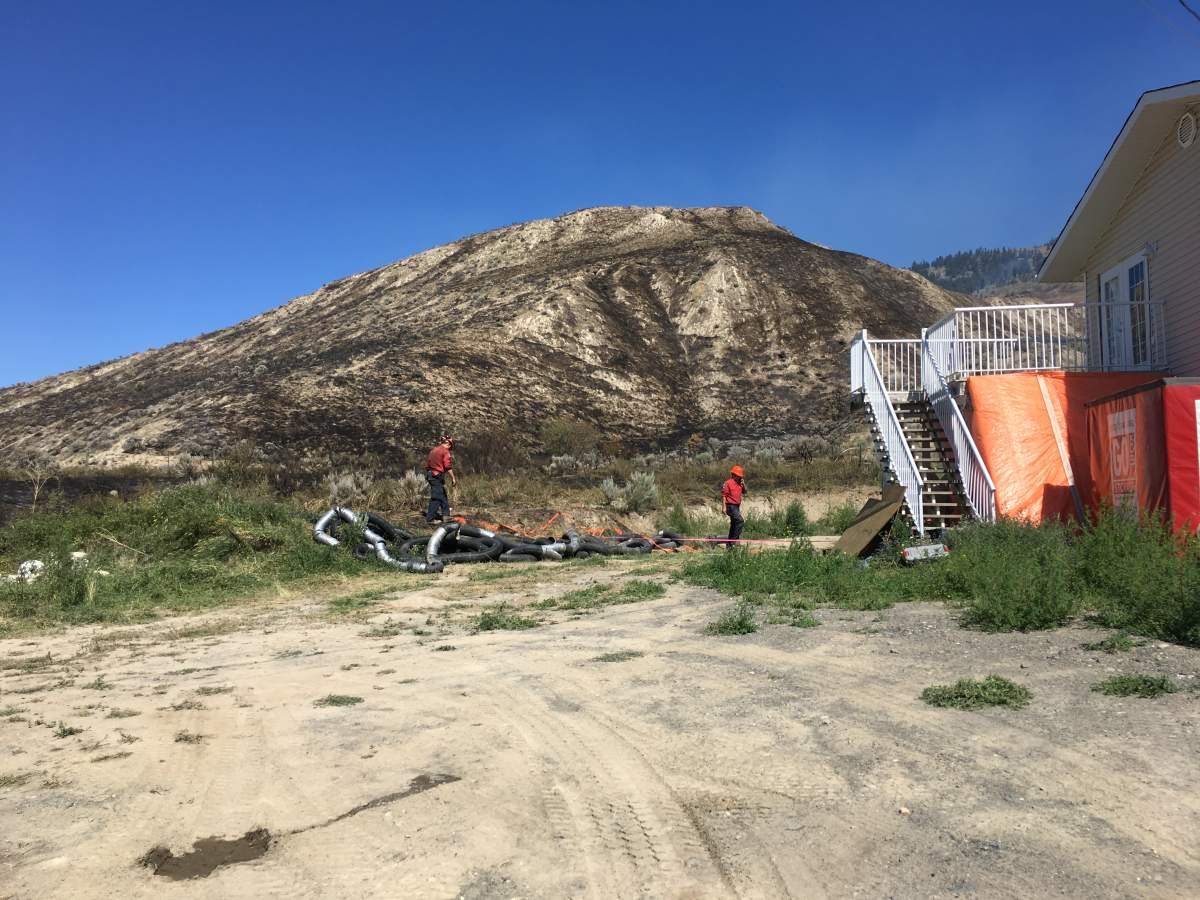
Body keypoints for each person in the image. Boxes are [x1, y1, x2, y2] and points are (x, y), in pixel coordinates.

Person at [425, 435, 457, 524]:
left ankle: (446, 516)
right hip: (436, 476)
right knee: (436, 497)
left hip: (431, 475)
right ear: (450, 445)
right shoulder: (445, 451)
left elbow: (428, 465)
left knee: (443, 495)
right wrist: (453, 478)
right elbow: (447, 466)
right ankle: (430, 519)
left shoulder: (433, 450)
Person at [722, 465, 747, 547]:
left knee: (734, 525)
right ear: (733, 475)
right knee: (740, 521)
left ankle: (729, 546)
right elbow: (724, 495)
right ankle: (733, 541)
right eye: (738, 476)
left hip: (736, 506)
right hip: (730, 506)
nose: (739, 478)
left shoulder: (740, 483)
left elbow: (745, 492)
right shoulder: (727, 483)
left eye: (740, 476)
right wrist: (724, 507)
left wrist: (743, 484)